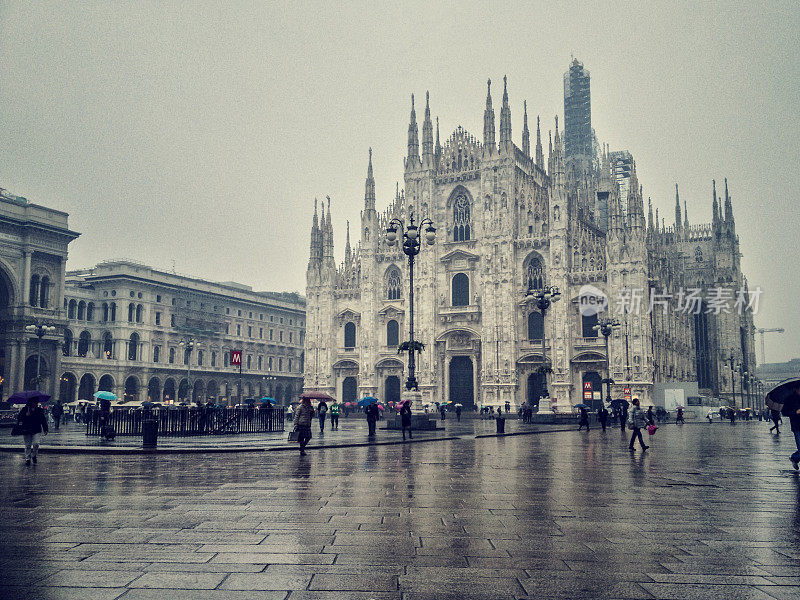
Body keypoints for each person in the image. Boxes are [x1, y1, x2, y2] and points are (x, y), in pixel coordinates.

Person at [17, 397, 48, 465]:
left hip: (36, 429)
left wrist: (45, 429)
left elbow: (43, 420)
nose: (35, 403)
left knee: (36, 444)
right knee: (28, 445)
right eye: (33, 402)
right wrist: (25, 415)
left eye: (36, 402)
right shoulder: (25, 409)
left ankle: (34, 455)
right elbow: (19, 418)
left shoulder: (39, 410)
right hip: (26, 429)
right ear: (30, 402)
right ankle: (27, 458)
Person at [779, 382, 800, 470]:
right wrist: (795, 412)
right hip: (797, 426)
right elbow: (784, 412)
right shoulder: (790, 399)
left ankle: (794, 458)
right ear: (797, 389)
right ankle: (794, 458)